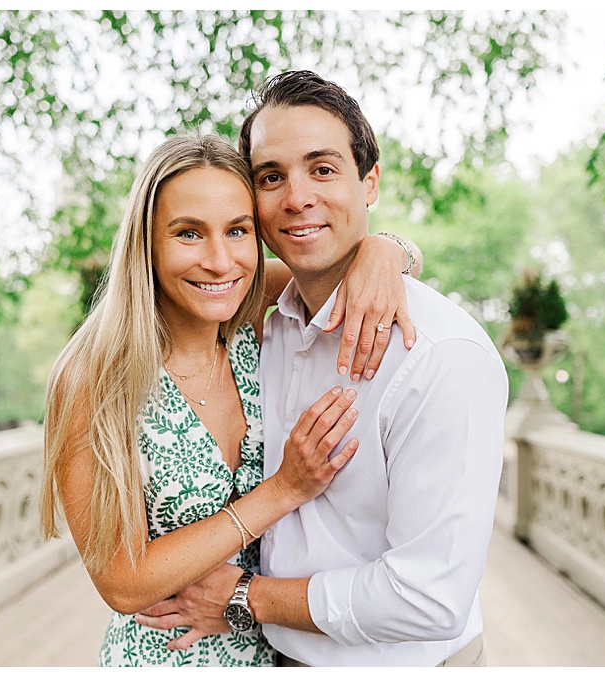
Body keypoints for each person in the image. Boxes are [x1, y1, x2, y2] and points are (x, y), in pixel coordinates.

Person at [132, 70, 507, 667]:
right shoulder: (255, 313)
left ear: (370, 181)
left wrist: (245, 599)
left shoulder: (440, 356)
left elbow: (430, 598)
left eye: (323, 168)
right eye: (271, 177)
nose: (297, 197)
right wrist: (392, 248)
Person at [40, 133, 424, 667]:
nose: (219, 261)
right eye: (188, 233)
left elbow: (345, 269)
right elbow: (123, 585)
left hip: (277, 646)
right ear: (145, 244)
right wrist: (283, 490)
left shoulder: (248, 313)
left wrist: (389, 248)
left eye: (238, 231)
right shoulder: (92, 378)